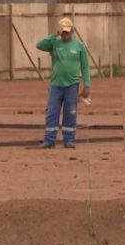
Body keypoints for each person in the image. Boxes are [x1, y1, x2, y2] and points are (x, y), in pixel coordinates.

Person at [36, 17, 91, 148]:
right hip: (56, 84)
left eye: (68, 32)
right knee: (52, 112)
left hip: (72, 85)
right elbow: (39, 45)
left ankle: (69, 140)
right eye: (63, 32)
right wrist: (53, 35)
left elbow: (85, 66)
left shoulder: (80, 46)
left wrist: (87, 84)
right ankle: (49, 140)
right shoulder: (55, 43)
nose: (66, 35)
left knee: (70, 112)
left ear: (72, 31)